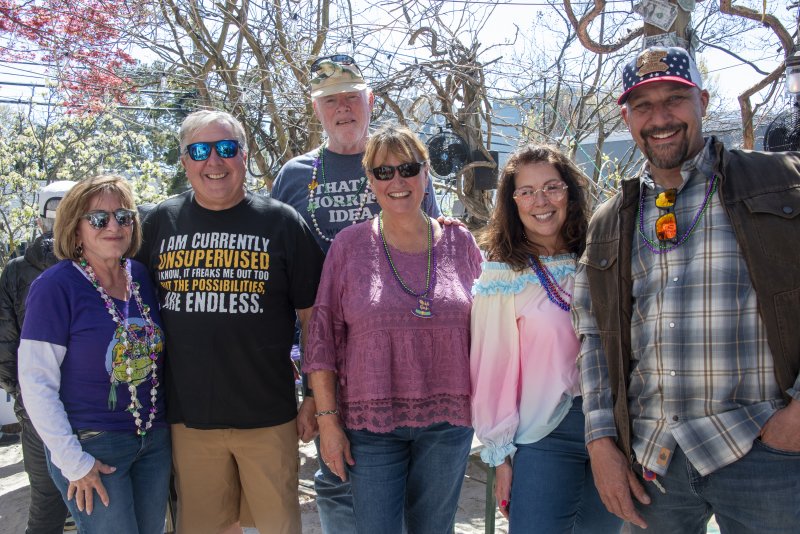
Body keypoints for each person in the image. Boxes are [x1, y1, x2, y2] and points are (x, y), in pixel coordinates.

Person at [572, 46, 800, 533]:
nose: (660, 118)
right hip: (655, 462)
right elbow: (592, 338)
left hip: (766, 452)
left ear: (703, 100)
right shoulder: (611, 220)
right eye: (643, 105)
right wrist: (601, 443)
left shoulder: (779, 184)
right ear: (627, 117)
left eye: (674, 98)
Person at [271, 53, 441, 533]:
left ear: (370, 101)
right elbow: (282, 279)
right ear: (317, 110)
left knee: (410, 478)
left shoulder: (403, 165)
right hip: (330, 354)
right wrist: (302, 376)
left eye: (351, 97)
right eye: (331, 101)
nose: (343, 108)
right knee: (339, 472)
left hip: (402, 351)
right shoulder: (295, 175)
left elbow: (434, 247)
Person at [136, 109, 324, 534]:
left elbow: (314, 319)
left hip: (269, 415)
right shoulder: (159, 223)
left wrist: (313, 395)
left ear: (244, 154)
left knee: (279, 526)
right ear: (184, 160)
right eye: (199, 150)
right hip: (189, 418)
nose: (213, 161)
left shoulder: (282, 222)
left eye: (226, 148)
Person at [304, 124, 481, 534]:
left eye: (408, 168)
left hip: (449, 422)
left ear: (426, 172)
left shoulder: (460, 242)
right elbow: (323, 339)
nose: (397, 181)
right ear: (370, 180)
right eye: (383, 172)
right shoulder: (348, 247)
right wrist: (329, 423)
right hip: (371, 425)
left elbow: (490, 329)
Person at [470, 144, 622, 533]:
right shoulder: (503, 276)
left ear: (570, 192)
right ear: (512, 202)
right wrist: (500, 456)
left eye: (552, 187)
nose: (541, 201)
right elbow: (493, 371)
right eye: (526, 191)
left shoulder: (603, 258)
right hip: (543, 433)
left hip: (615, 427)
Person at [17, 175, 170, 533]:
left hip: (153, 441)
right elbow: (36, 381)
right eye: (99, 219)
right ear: (75, 230)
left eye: (124, 216)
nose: (114, 226)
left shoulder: (142, 277)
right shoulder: (56, 286)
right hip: (93, 448)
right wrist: (73, 461)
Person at [0, 180, 75, 534]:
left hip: (36, 408)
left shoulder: (16, 269)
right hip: (96, 408)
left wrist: (23, 396)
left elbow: (4, 346)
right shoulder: (104, 263)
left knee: (46, 503)